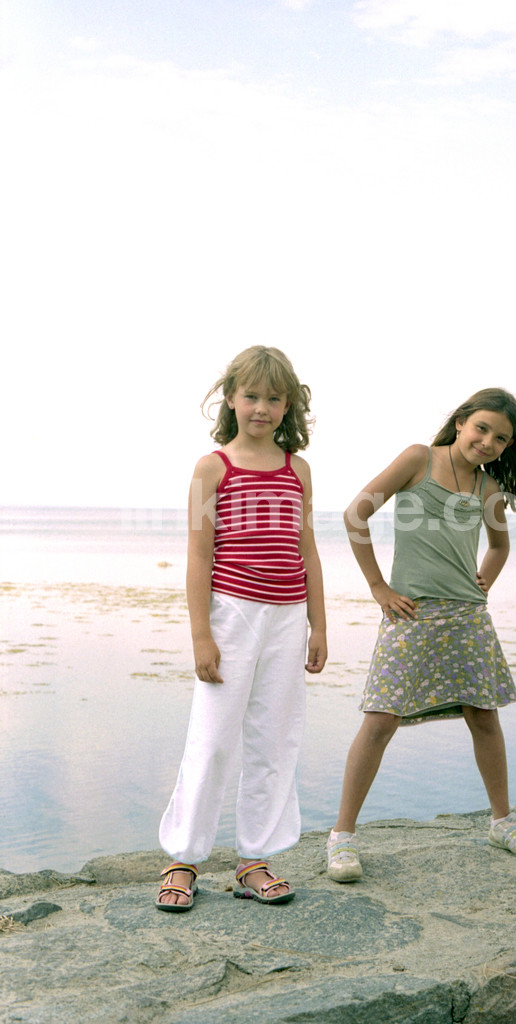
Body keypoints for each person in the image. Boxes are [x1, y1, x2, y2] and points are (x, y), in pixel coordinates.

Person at [326, 387, 516, 883]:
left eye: (500, 438)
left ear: (508, 446)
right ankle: (341, 836)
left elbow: (499, 547)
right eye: (482, 428)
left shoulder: (488, 488)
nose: (487, 442)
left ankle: (502, 822)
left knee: (483, 715)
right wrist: (378, 587)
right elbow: (355, 514)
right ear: (462, 421)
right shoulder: (417, 460)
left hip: (467, 615)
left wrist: (482, 583)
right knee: (380, 720)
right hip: (411, 613)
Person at [156, 346, 326, 911]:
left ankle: (255, 858)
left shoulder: (298, 470)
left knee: (274, 739)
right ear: (230, 398)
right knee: (212, 739)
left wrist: (318, 626)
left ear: (288, 405)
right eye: (251, 396)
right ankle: (184, 858)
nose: (261, 408)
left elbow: (308, 551)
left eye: (274, 398)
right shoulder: (213, 468)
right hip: (231, 614)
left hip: (288, 617)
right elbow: (199, 555)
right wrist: (201, 634)